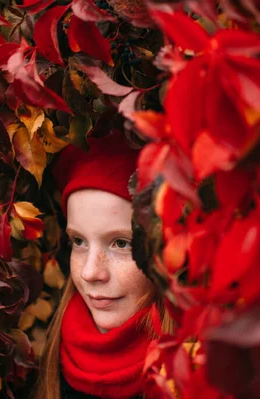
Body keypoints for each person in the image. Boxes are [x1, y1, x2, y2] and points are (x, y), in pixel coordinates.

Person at [34, 131, 173, 399]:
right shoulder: (53, 354)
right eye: (78, 241)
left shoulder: (201, 366)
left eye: (121, 243)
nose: (89, 273)